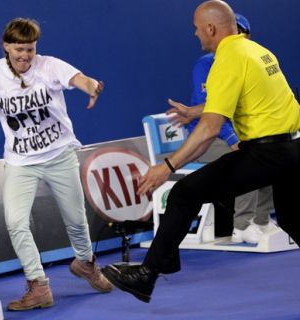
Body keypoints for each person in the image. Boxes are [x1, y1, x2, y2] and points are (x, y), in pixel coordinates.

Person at [102, 0, 300, 303]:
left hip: (266, 153)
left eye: (196, 29)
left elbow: (209, 130)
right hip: (293, 147)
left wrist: (166, 166)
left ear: (211, 28)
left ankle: (147, 275)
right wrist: (196, 111)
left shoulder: (227, 58)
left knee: (184, 192)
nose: (195, 35)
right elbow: (246, 99)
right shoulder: (257, 51)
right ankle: (163, 261)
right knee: (292, 219)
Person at [0, 18, 112, 311]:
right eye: (19, 50)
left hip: (59, 155)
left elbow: (79, 78)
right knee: (16, 223)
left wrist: (91, 87)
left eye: (30, 49)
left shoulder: (49, 65)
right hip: (20, 163)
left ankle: (86, 262)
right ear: (6, 46)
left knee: (77, 221)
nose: (25, 56)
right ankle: (38, 285)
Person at [166, 13, 276, 244]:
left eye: (244, 35)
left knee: (269, 156)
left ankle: (261, 220)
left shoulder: (248, 61)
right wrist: (232, 138)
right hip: (209, 140)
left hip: (237, 134)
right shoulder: (206, 64)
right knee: (247, 158)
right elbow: (212, 112)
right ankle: (242, 225)